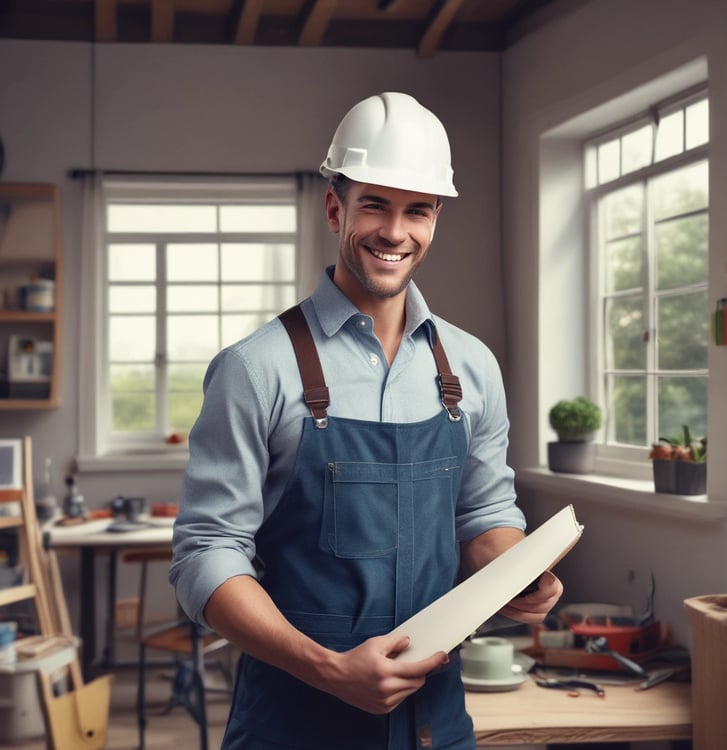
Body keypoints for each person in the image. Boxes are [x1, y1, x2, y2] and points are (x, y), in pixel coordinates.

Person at [169, 91, 563, 750]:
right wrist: (328, 669)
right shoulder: (256, 368)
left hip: (437, 726)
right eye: (374, 204)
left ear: (436, 218)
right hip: (291, 725)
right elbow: (205, 555)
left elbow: (484, 516)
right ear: (335, 208)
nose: (394, 232)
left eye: (418, 211)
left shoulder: (472, 368)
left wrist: (520, 572)